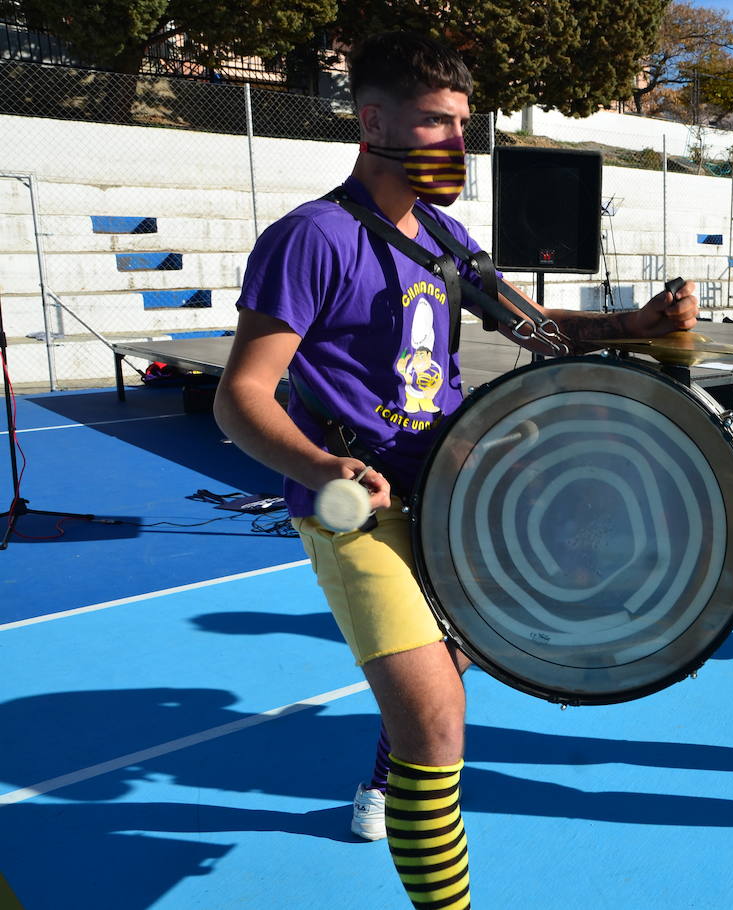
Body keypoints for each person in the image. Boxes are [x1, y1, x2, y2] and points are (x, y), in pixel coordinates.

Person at [212, 32, 699, 910]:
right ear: (372, 122)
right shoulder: (311, 239)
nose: (454, 145)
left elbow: (538, 330)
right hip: (354, 513)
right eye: (435, 123)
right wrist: (328, 467)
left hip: (451, 498)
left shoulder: (444, 235)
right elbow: (239, 396)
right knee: (437, 725)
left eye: (461, 125)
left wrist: (638, 320)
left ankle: (381, 781)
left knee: (459, 655)